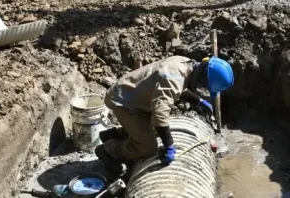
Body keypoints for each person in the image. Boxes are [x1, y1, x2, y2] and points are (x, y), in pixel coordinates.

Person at [95, 56, 235, 174]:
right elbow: (160, 116)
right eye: (204, 87)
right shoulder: (174, 79)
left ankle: (113, 134)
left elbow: (178, 88)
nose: (202, 89)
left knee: (156, 131)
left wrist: (198, 101)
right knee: (148, 147)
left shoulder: (184, 64)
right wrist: (169, 146)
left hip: (131, 95)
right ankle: (108, 150)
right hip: (124, 103)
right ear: (203, 79)